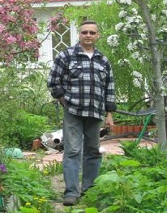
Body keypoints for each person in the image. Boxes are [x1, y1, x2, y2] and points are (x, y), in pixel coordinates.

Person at [47, 20, 116, 206]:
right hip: (73, 112)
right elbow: (53, 82)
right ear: (79, 34)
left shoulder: (103, 60)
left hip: (95, 113)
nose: (88, 35)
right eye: (84, 32)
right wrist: (64, 102)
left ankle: (89, 190)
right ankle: (71, 192)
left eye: (92, 32)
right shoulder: (66, 56)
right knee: (73, 150)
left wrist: (109, 114)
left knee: (93, 151)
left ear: (97, 35)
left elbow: (110, 88)